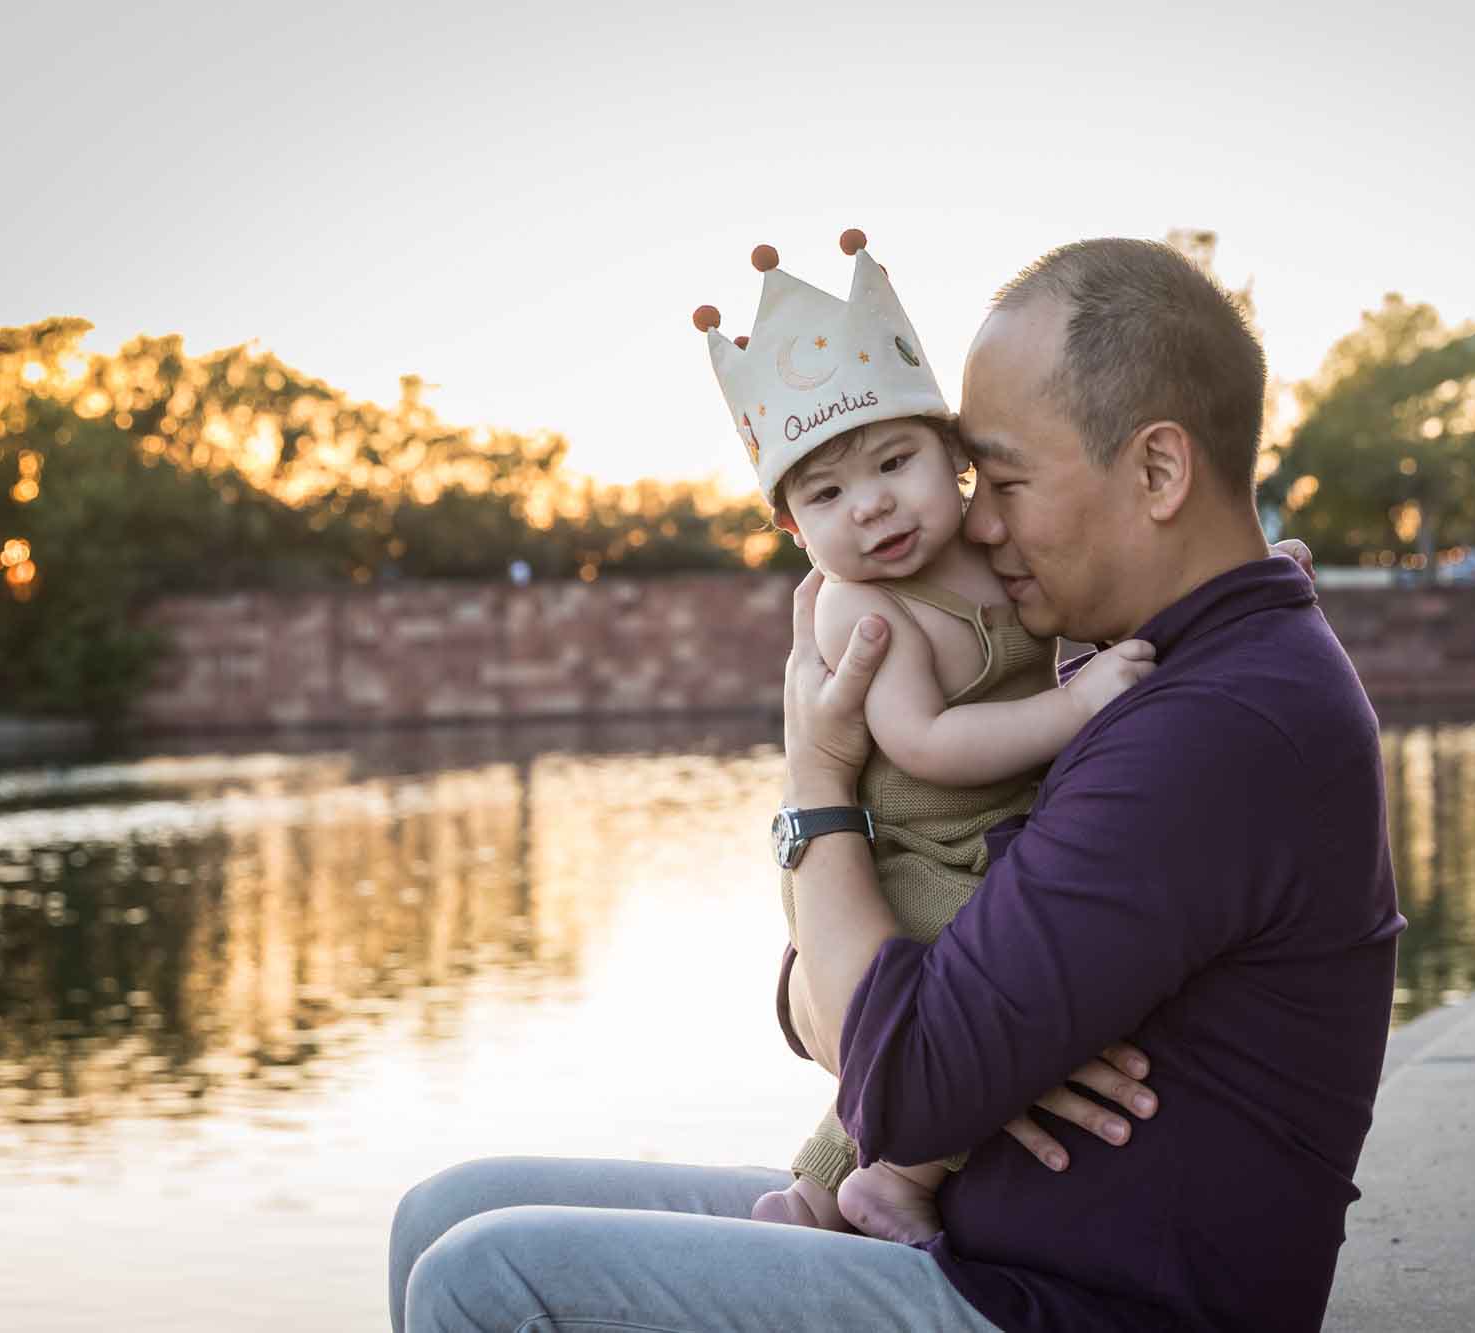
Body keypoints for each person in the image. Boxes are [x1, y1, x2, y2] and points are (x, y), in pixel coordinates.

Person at [389, 236, 1400, 1333]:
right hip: (976, 1229)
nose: (975, 521)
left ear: (1157, 471)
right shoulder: (1186, 663)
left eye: (1001, 478)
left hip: (1068, 1300)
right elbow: (860, 1014)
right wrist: (966, 1041)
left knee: (480, 1275)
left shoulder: (1212, 726)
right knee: (443, 1210)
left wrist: (818, 785)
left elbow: (903, 1080)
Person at [698, 230, 1158, 1242]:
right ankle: (897, 1177)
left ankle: (815, 1189)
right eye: (825, 494)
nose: (869, 508)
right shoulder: (863, 611)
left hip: (977, 830)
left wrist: (1211, 592)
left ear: (951, 456)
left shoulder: (980, 556)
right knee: (971, 982)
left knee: (956, 981)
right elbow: (925, 742)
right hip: (910, 852)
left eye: (893, 463)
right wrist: (1077, 709)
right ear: (790, 529)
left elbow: (1098, 614)